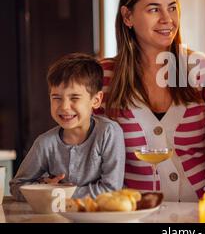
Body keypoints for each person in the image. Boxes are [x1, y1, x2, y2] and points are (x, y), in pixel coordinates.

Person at [98, 0, 205, 202]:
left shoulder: (203, 70)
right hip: (133, 215)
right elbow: (86, 148)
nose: (167, 19)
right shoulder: (103, 76)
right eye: (154, 9)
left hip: (201, 213)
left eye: (172, 8)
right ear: (128, 17)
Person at [10, 53, 125, 201]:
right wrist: (43, 188)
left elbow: (112, 190)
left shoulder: (109, 133)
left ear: (96, 100)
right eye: (56, 98)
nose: (64, 107)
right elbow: (17, 186)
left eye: (74, 98)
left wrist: (60, 193)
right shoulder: (45, 143)